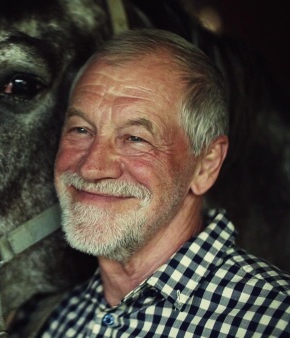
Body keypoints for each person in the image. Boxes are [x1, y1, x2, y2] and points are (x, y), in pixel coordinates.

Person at [39, 29, 290, 337]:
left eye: (135, 138)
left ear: (206, 165)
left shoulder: (274, 320)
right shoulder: (55, 318)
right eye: (80, 130)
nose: (91, 167)